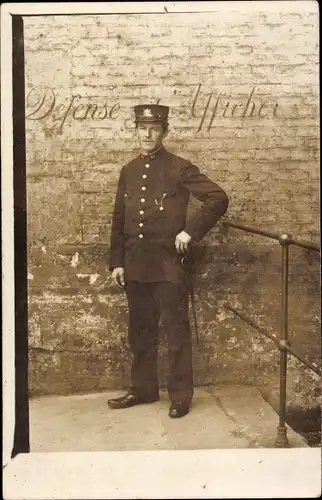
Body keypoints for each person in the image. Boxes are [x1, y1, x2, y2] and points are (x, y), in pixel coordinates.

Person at [108, 104, 229, 418]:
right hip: (135, 264)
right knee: (140, 331)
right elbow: (119, 220)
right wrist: (117, 262)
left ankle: (180, 396)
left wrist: (191, 231)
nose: (147, 134)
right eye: (141, 128)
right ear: (135, 130)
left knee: (176, 332)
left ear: (164, 131)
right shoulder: (128, 171)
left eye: (154, 128)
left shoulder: (179, 167)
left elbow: (218, 197)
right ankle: (144, 389)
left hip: (168, 266)